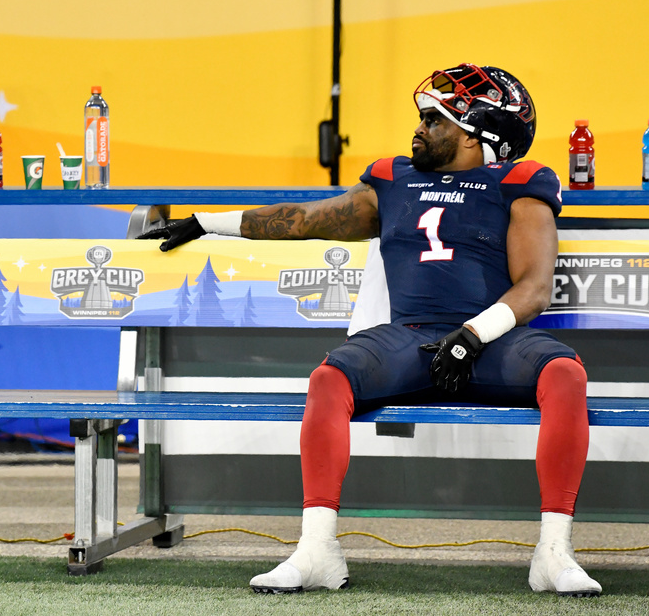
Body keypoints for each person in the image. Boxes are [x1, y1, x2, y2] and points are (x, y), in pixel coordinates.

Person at [139, 64, 601, 598]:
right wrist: (204, 222)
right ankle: (316, 550)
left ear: (477, 135)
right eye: (423, 116)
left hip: (489, 340)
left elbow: (533, 289)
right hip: (410, 336)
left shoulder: (518, 182)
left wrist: (470, 337)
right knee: (329, 380)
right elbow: (304, 220)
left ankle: (553, 553)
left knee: (564, 374)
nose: (420, 126)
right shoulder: (392, 179)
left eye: (435, 118)